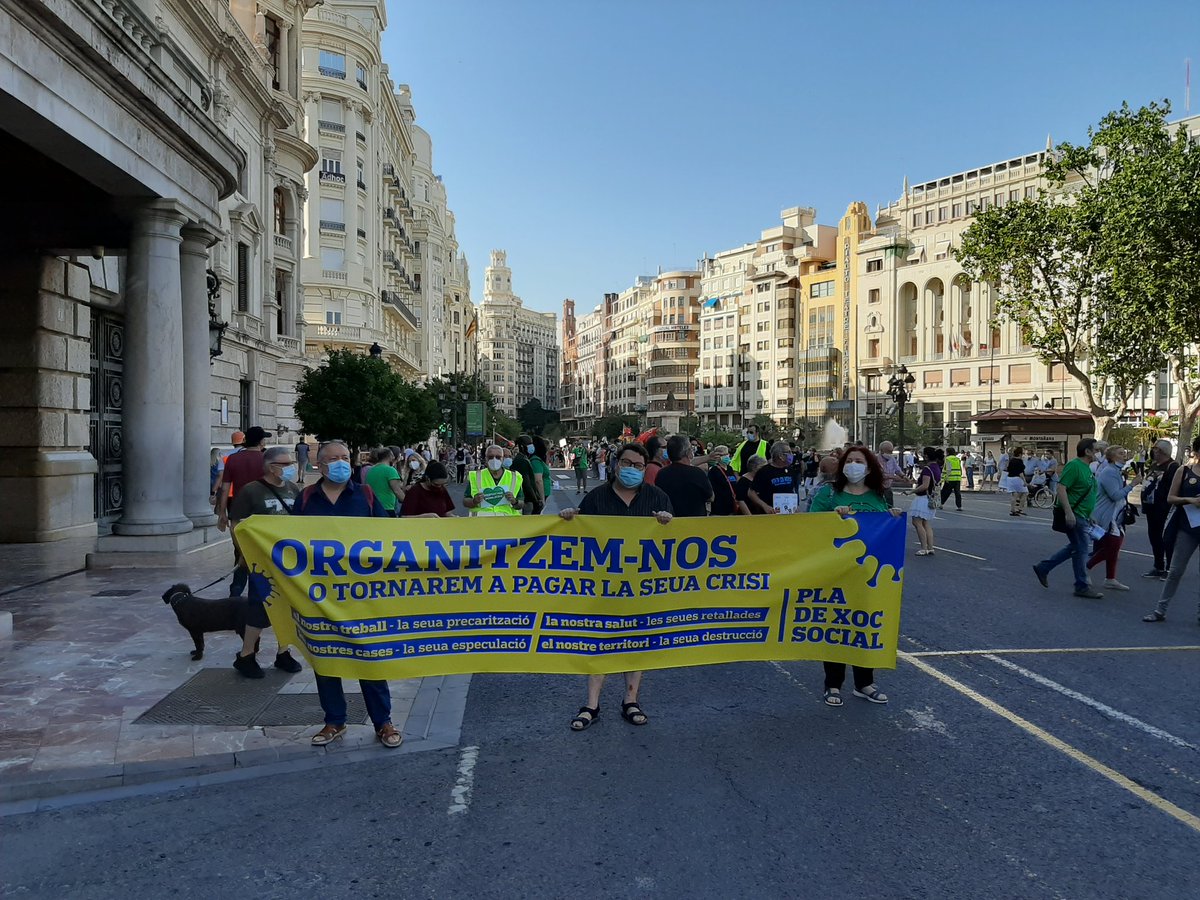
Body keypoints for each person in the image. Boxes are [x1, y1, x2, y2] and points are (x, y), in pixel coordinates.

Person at [558, 442, 673, 731]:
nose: (632, 469)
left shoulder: (657, 498)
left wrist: (667, 523)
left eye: (638, 465)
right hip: (603, 587)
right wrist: (569, 521)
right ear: (615, 464)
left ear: (645, 468)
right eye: (627, 463)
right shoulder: (596, 498)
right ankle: (591, 704)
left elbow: (675, 542)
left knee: (635, 643)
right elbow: (579, 537)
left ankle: (630, 700)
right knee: (600, 643)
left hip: (640, 587)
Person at [294, 441, 400, 749]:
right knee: (327, 659)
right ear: (320, 465)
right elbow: (286, 538)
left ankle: (383, 722)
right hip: (320, 595)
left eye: (344, 457)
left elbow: (388, 536)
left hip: (361, 594)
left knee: (369, 658)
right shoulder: (307, 498)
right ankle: (334, 721)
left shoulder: (364, 495)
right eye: (333, 459)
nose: (340, 463)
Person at [808, 447, 900, 706]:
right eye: (850, 461)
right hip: (835, 572)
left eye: (859, 461)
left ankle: (865, 683)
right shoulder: (828, 494)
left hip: (868, 574)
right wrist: (833, 518)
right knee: (837, 626)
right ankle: (833, 684)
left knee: (865, 626)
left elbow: (884, 530)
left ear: (869, 468)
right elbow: (811, 527)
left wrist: (891, 518)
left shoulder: (879, 496)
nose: (854, 465)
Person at [228, 446, 303, 679]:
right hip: (261, 561)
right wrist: (243, 553)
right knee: (259, 607)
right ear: (272, 466)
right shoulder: (251, 491)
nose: (290, 467)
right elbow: (236, 524)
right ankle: (246, 655)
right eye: (285, 464)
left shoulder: (293, 489)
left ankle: (283, 652)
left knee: (287, 607)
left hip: (288, 561)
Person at [1032, 438, 1103, 599]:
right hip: (1074, 514)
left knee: (1076, 547)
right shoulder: (1075, 466)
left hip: (1082, 515)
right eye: (1096, 449)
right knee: (1082, 549)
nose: (1099, 453)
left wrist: (1089, 514)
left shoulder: (1087, 468)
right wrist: (1069, 513)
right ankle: (1081, 585)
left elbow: (1083, 493)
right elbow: (1062, 488)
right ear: (1087, 451)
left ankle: (1044, 568)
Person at [1143, 435, 1200, 623]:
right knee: (1175, 570)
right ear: (1196, 452)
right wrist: (1190, 500)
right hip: (1187, 527)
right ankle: (1160, 610)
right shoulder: (1184, 471)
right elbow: (1171, 498)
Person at [215, 426, 268, 598]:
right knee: (262, 552)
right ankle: (259, 592)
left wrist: (222, 513)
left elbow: (225, 488)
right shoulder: (267, 460)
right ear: (261, 441)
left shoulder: (232, 459)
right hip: (262, 511)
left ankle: (236, 591)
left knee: (240, 552)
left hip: (238, 510)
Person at [1086, 446, 1140, 591]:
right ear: (1112, 456)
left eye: (1124, 452)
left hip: (1116, 514)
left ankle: (1110, 578)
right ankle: (1086, 568)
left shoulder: (1115, 471)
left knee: (1114, 546)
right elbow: (1115, 495)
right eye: (1121, 453)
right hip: (1109, 515)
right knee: (1112, 546)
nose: (1124, 455)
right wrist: (1133, 484)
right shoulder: (1109, 472)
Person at [1140, 439, 1179, 579]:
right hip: (1151, 508)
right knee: (1154, 537)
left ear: (1161, 451)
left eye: (1155, 448)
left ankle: (1169, 568)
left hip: (1163, 508)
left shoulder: (1173, 467)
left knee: (1166, 539)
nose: (1153, 451)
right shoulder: (1155, 465)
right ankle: (1158, 566)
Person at [654, 434, 714, 517]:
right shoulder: (697, 473)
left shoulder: (661, 473)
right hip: (695, 524)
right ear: (688, 452)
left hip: (670, 522)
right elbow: (710, 497)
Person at [464, 445, 524, 516]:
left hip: (507, 522)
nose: (494, 460)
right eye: (491, 457)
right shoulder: (476, 476)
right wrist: (474, 501)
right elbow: (465, 501)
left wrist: (515, 501)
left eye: (498, 457)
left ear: (503, 459)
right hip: (482, 523)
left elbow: (521, 503)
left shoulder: (514, 477)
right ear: (486, 458)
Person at [748, 442, 797, 514]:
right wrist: (765, 506)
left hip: (788, 514)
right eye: (789, 452)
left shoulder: (790, 470)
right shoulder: (764, 471)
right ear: (780, 456)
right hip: (770, 514)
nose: (791, 455)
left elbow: (792, 490)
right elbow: (751, 492)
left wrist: (795, 505)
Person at [909, 445, 939, 556]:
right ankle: (930, 547)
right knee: (926, 523)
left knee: (917, 522)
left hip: (923, 498)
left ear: (926, 456)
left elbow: (925, 485)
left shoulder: (927, 469)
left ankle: (923, 548)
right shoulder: (937, 468)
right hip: (931, 497)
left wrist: (911, 491)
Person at [364, 447, 405, 517]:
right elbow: (397, 491)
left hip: (373, 507)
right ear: (389, 456)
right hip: (387, 508)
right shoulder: (390, 470)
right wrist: (408, 502)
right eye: (392, 456)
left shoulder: (371, 470)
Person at [513, 435, 543, 515]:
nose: (532, 446)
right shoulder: (522, 460)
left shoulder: (524, 458)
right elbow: (527, 483)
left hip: (527, 499)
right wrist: (535, 500)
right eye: (529, 444)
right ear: (522, 446)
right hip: (527, 499)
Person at [707, 445, 738, 516]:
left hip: (731, 505)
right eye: (724, 455)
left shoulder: (730, 468)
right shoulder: (714, 471)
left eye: (727, 454)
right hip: (719, 508)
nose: (727, 456)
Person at [1006, 447, 1029, 516]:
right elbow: (1020, 473)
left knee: (1014, 494)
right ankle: (1020, 509)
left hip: (1010, 478)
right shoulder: (1019, 461)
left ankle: (1012, 509)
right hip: (1017, 479)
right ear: (1019, 454)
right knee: (1025, 492)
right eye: (1022, 454)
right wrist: (1024, 481)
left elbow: (1008, 468)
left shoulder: (1011, 460)